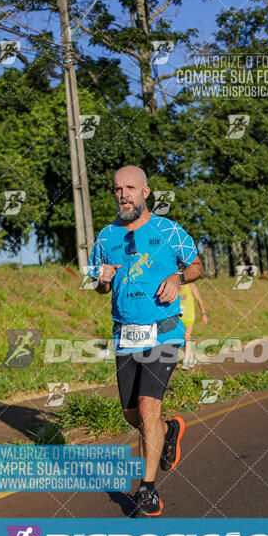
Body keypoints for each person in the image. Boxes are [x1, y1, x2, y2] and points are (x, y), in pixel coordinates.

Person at [88, 165, 203, 517]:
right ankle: (168, 432)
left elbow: (196, 265)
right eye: (118, 189)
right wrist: (103, 278)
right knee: (132, 414)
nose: (123, 194)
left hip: (165, 331)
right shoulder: (106, 237)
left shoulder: (169, 230)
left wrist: (178, 276)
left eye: (130, 188)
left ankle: (147, 490)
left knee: (149, 406)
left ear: (146, 192)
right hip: (126, 334)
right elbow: (100, 285)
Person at [179, 281, 207, 369]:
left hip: (189, 316)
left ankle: (185, 361)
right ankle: (192, 357)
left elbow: (199, 300)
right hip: (179, 317)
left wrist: (204, 314)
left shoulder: (191, 285)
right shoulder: (174, 285)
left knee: (187, 336)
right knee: (183, 338)